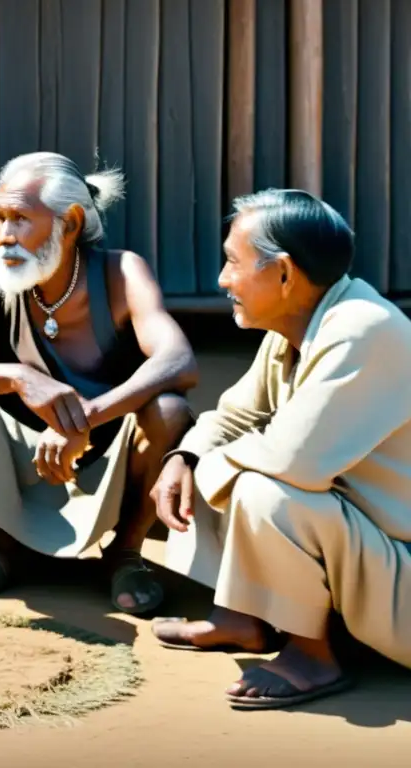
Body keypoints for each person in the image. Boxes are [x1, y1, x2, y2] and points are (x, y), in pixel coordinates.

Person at [152, 189, 411, 710]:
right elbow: (233, 415)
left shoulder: (366, 328)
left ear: (285, 275)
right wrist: (184, 458)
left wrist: (208, 461)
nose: (223, 280)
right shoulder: (295, 325)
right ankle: (241, 616)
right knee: (215, 456)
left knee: (264, 490)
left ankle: (311, 656)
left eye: (233, 262)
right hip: (370, 551)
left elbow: (296, 464)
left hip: (401, 575)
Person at [0, 151, 198, 614]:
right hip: (20, 456)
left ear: (69, 224)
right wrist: (20, 377)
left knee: (167, 410)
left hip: (107, 453)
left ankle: (126, 553)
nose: (5, 236)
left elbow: (178, 360)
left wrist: (84, 418)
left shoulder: (122, 272)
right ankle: (2, 542)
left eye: (21, 219)